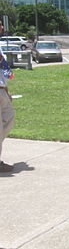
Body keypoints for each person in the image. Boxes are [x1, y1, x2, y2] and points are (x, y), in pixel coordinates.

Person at [0, 42, 15, 173]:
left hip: (2, 90)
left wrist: (6, 90)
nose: (1, 26)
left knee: (9, 120)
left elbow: (2, 71)